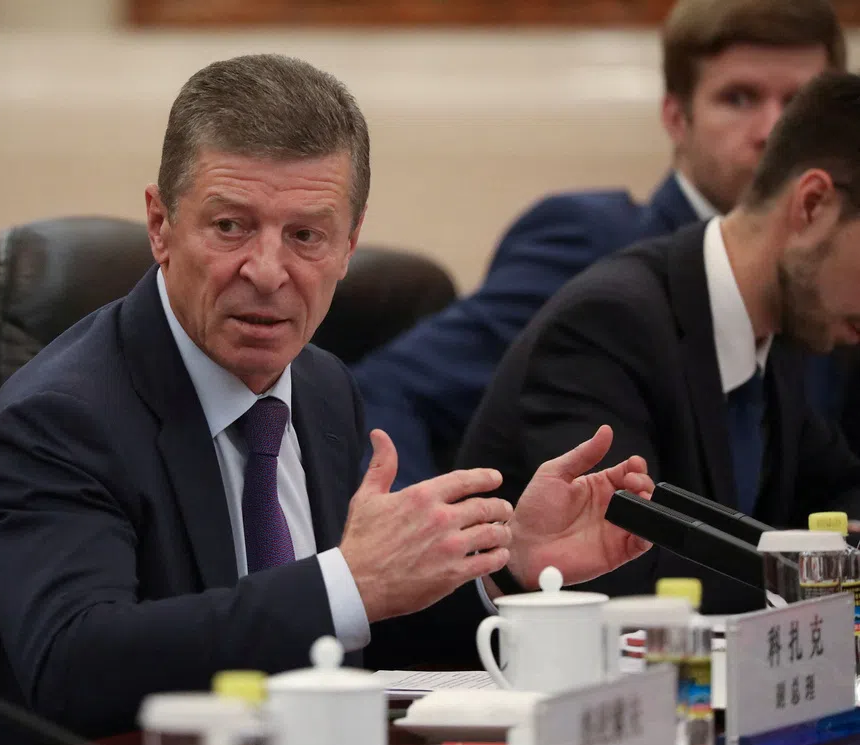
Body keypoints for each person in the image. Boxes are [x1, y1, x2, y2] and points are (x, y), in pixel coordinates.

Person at [0, 54, 654, 745]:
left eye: (306, 236)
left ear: (350, 244)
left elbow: (352, 621)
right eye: (230, 227)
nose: (267, 271)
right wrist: (348, 582)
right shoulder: (61, 418)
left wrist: (510, 563)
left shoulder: (322, 387)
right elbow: (77, 664)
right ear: (161, 225)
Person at [352, 0, 849, 489]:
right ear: (676, 117)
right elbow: (388, 393)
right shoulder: (593, 245)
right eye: (738, 98)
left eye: (796, 106)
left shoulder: (829, 273)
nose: (771, 131)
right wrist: (427, 551)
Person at [456, 70, 860, 616]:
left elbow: (838, 494)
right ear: (812, 205)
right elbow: (626, 571)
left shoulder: (780, 326)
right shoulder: (609, 326)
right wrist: (829, 581)